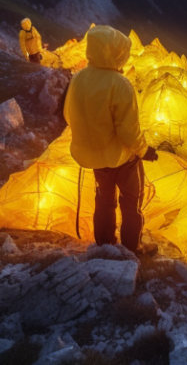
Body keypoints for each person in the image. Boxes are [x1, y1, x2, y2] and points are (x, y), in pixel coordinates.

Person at [63, 25, 158, 255]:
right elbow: (128, 131)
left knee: (104, 202)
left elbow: (69, 115)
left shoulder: (79, 78)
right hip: (123, 158)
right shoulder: (120, 84)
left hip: (95, 158)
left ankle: (105, 245)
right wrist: (144, 150)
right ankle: (131, 248)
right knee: (131, 203)